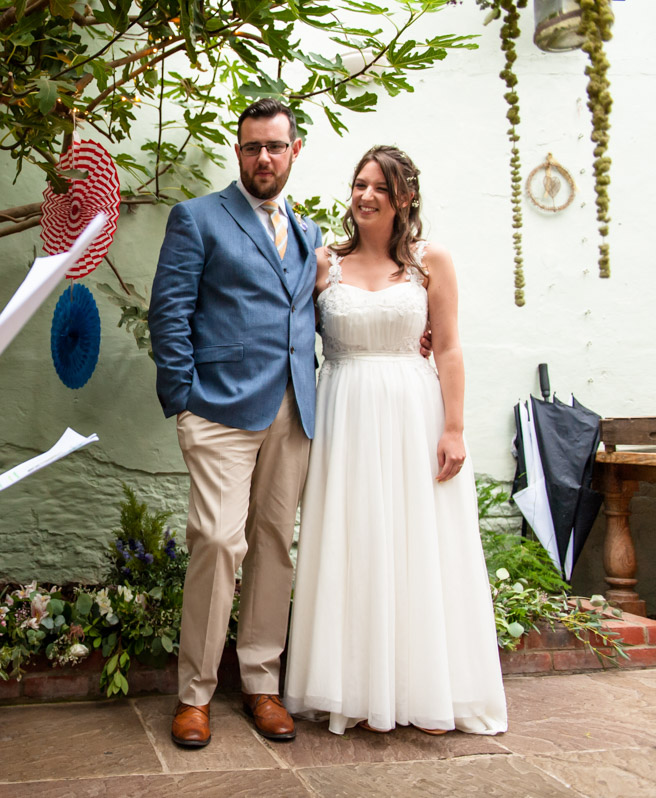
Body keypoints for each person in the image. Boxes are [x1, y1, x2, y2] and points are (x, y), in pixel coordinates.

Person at [283, 145, 507, 736]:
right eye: (359, 184)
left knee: (416, 544)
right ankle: (349, 686)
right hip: (344, 410)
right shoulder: (325, 263)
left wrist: (454, 428)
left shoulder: (431, 263)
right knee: (350, 542)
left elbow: (451, 346)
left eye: (379, 187)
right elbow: (286, 332)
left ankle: (426, 686)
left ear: (404, 197)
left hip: (413, 412)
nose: (365, 195)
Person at [149, 98, 321, 747]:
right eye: (252, 147)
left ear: (293, 151)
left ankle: (261, 683)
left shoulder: (305, 232)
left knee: (275, 543)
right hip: (218, 410)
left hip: (292, 410)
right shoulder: (198, 218)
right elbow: (169, 312)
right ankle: (194, 694)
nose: (264, 158)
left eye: (275, 146)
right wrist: (184, 402)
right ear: (239, 150)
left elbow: (305, 315)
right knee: (219, 542)